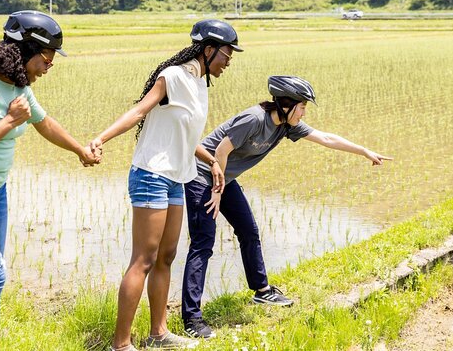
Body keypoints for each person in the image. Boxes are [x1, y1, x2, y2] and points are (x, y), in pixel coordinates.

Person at [0, 10, 101, 351]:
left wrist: (79, 150)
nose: (49, 67)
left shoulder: (17, 83)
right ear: (25, 51)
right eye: (47, 59)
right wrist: (9, 122)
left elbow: (42, 122)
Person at [181, 75, 393, 339]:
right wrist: (217, 191)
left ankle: (262, 291)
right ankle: (192, 318)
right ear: (286, 104)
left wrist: (363, 151)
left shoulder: (286, 125)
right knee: (203, 243)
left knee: (249, 231)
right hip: (202, 174)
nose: (303, 113)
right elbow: (220, 152)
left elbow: (325, 138)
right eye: (302, 107)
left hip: (225, 178)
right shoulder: (254, 119)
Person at [89, 20, 243, 351]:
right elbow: (139, 110)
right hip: (151, 174)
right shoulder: (172, 76)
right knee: (143, 259)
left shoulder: (200, 84)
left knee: (167, 256)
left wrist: (212, 160)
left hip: (177, 177)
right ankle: (121, 344)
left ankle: (158, 334)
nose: (229, 60)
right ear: (208, 49)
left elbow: (186, 137)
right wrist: (101, 138)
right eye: (227, 53)